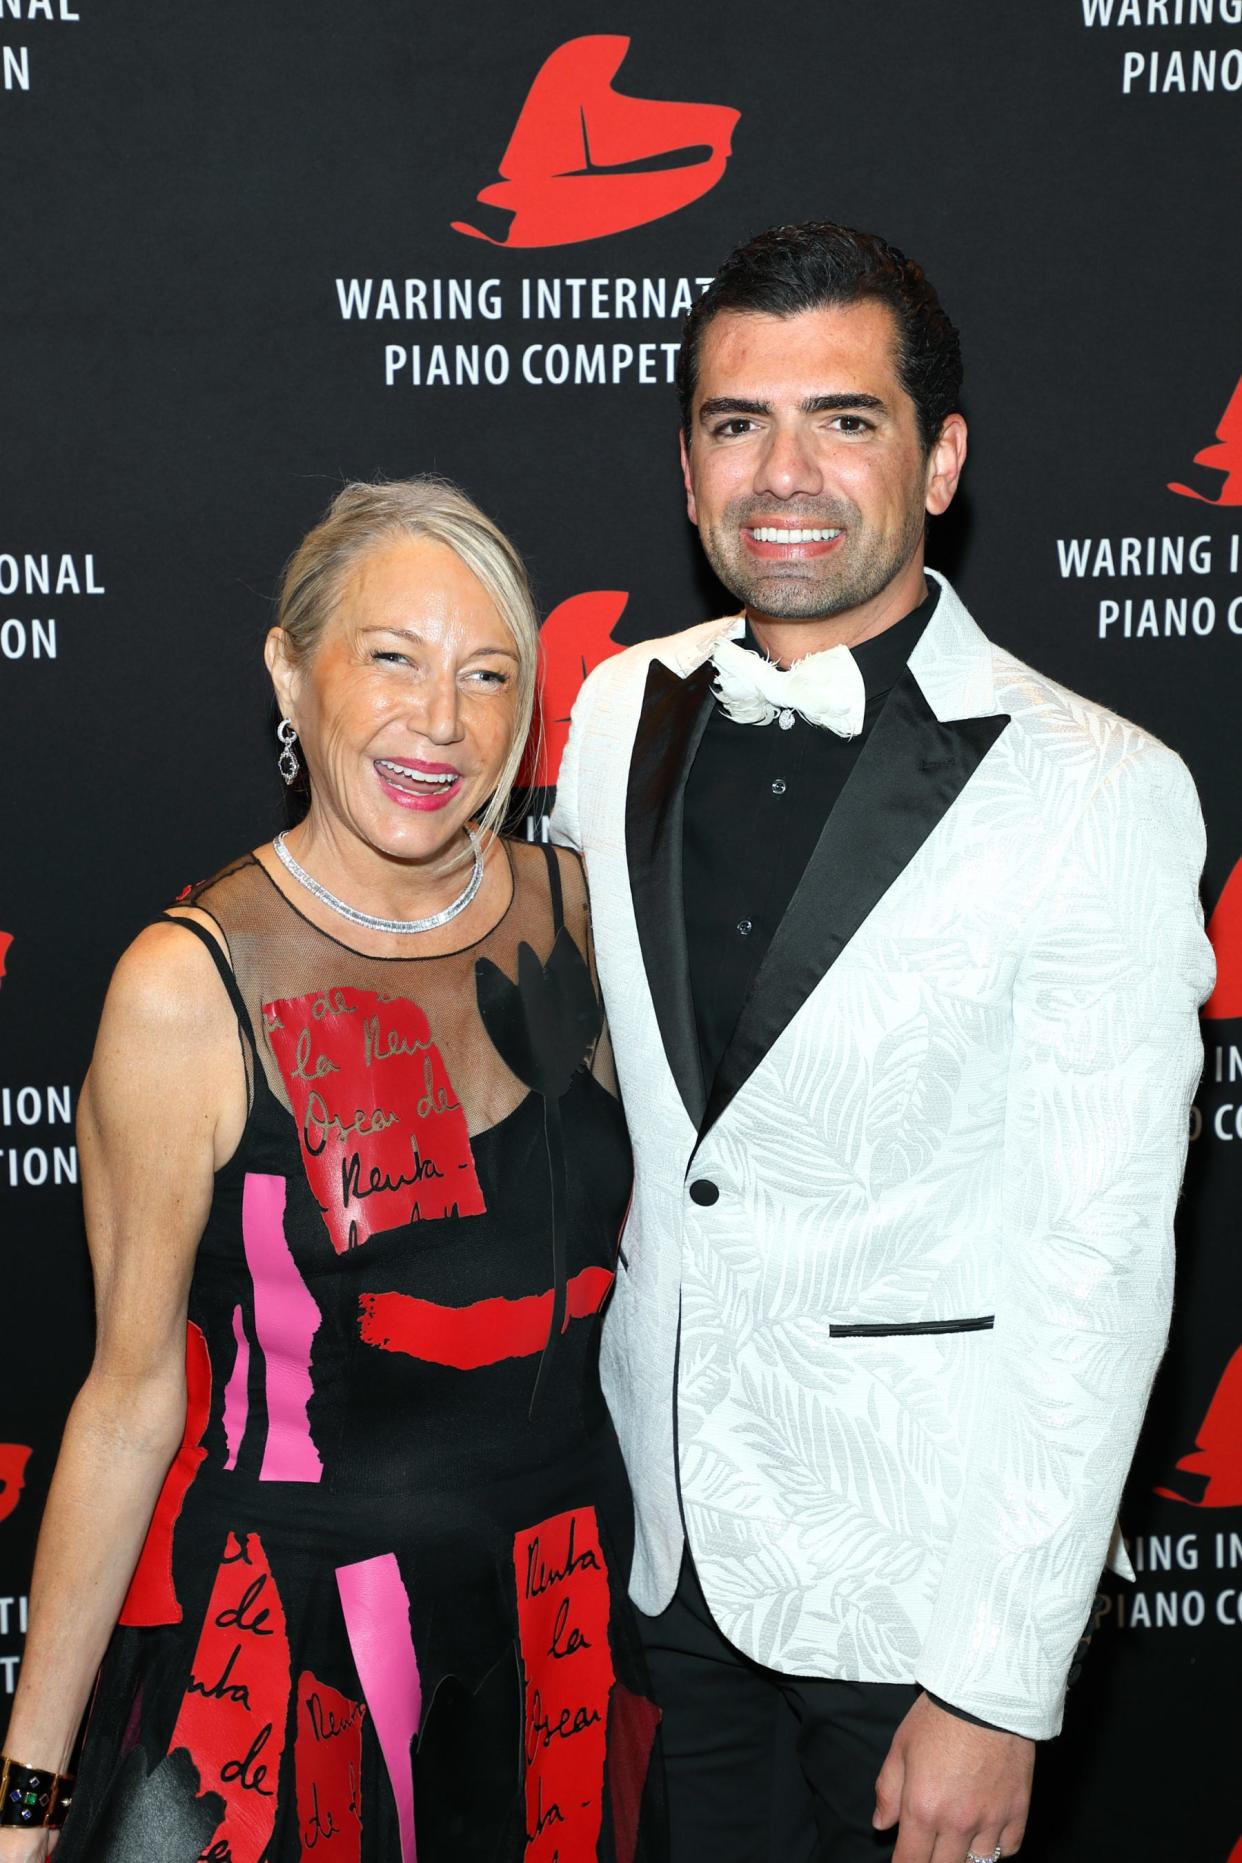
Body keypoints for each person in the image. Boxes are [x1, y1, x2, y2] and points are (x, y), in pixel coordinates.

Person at [551, 223, 1214, 1863]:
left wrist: (997, 1683)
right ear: (687, 464)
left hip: (918, 1603)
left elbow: (1097, 1270)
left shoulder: (1101, 787)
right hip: (674, 1556)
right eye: (734, 423)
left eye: (843, 419)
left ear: (940, 461)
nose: (783, 472)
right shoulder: (616, 707)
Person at [0, 479, 664, 1862]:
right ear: (289, 673)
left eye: (488, 675)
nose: (440, 721)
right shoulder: (195, 983)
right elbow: (128, 1405)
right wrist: (26, 1803)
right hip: (287, 1661)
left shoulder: (585, 919)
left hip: (567, 1639)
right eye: (391, 659)